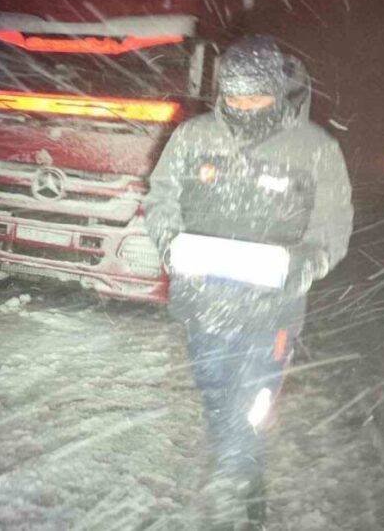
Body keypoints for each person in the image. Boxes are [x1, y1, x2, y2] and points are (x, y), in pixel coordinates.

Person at [143, 35, 353, 530]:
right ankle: (241, 462)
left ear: (277, 93)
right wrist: (171, 243)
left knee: (254, 398)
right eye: (234, 95)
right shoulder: (194, 137)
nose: (242, 106)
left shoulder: (316, 150)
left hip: (271, 311)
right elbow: (161, 200)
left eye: (254, 96)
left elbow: (332, 229)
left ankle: (232, 479)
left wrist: (306, 262)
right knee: (215, 390)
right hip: (204, 303)